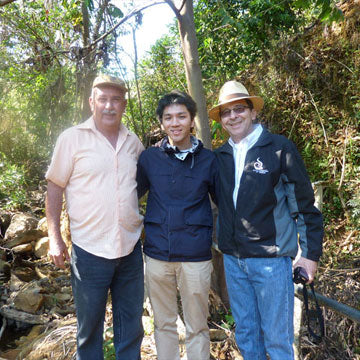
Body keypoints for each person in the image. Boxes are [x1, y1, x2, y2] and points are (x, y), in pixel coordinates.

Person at [209, 80, 324, 360]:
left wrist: (309, 256)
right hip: (234, 261)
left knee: (278, 342)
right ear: (221, 120)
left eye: (239, 109)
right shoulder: (219, 157)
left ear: (253, 112)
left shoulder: (279, 148)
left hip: (271, 262)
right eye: (226, 112)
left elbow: (304, 206)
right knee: (247, 337)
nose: (233, 116)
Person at [45, 74, 145, 360]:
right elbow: (54, 189)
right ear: (92, 103)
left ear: (124, 104)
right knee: (89, 330)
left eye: (115, 100)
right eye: (103, 99)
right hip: (89, 252)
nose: (109, 106)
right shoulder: (72, 138)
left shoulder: (133, 142)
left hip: (129, 251)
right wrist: (55, 238)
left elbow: (139, 185)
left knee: (131, 329)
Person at [136, 90, 218, 360]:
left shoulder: (209, 160)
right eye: (168, 118)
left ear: (192, 120)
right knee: (164, 324)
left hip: (195, 256)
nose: (175, 123)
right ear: (161, 123)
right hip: (157, 254)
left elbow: (226, 203)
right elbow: (128, 196)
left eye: (181, 116)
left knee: (197, 326)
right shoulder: (149, 159)